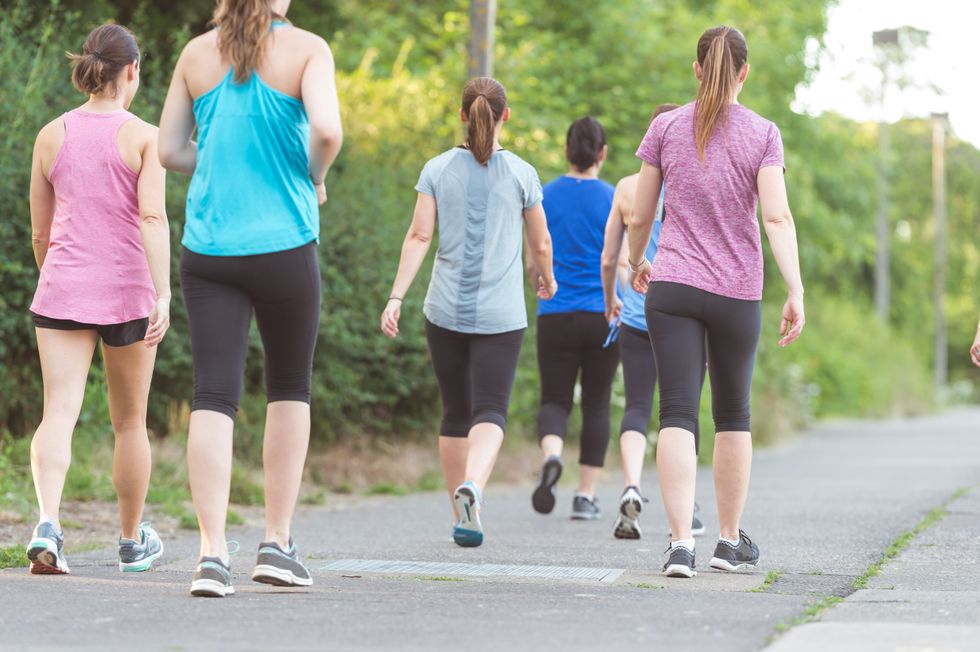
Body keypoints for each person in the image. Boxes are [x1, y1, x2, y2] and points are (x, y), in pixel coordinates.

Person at [158, 0, 342, 597]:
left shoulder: (195, 53)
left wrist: (213, 159)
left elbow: (168, 151)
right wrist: (312, 176)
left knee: (212, 393)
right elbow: (328, 132)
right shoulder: (307, 49)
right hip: (285, 244)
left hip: (209, 248)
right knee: (290, 386)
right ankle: (276, 543)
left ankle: (212, 555)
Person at [628, 26, 805, 578]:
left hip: (673, 285)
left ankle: (682, 544)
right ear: (744, 73)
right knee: (733, 415)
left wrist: (638, 260)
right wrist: (795, 287)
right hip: (737, 292)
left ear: (697, 68)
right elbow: (775, 216)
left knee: (676, 411)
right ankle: (728, 541)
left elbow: (640, 212)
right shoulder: (764, 133)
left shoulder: (665, 126)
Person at [381, 76, 556, 548]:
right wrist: (548, 276)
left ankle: (461, 516)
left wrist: (396, 296)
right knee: (491, 410)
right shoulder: (522, 173)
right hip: (501, 316)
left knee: (455, 412)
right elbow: (540, 241)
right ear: (506, 116)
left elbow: (418, 237)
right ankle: (473, 487)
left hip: (443, 311)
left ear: (462, 114)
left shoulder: (437, 169)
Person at [25, 24, 170, 575]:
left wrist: (60, 280)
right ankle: (132, 542)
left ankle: (47, 524)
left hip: (61, 287)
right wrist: (163, 293)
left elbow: (40, 233)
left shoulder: (49, 134)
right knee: (129, 422)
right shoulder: (145, 137)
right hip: (130, 293)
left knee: (58, 411)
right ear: (132, 70)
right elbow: (152, 217)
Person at [600, 103, 707, 540]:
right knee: (682, 412)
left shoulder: (626, 187)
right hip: (686, 312)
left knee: (638, 406)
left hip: (638, 311)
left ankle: (631, 486)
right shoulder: (696, 180)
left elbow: (610, 257)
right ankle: (689, 509)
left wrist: (612, 301)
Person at [530, 117, 619, 521]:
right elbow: (616, 259)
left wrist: (541, 280)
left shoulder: (544, 195)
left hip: (556, 312)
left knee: (555, 398)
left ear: (567, 151)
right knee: (597, 404)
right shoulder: (613, 198)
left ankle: (552, 455)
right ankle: (585, 496)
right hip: (603, 313)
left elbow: (535, 258)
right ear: (602, 154)